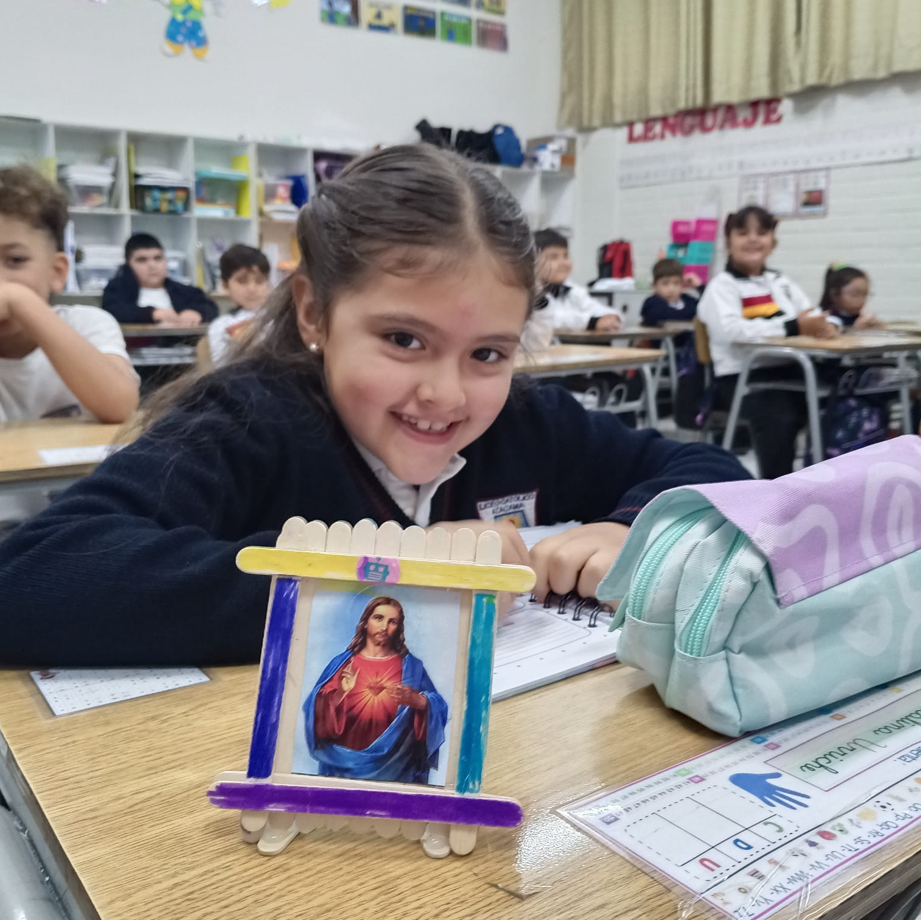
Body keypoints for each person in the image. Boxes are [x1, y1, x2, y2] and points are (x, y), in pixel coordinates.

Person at [0, 145, 750, 668]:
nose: (446, 394)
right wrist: (388, 576)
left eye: (488, 353)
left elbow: (710, 466)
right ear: (314, 312)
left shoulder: (525, 419)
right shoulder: (246, 421)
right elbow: (31, 577)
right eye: (402, 339)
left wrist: (632, 529)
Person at [698, 206, 838, 479]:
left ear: (773, 243)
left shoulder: (780, 282)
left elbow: (811, 314)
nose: (753, 239)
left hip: (791, 371)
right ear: (728, 243)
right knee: (780, 416)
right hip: (742, 378)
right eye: (743, 233)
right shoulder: (722, 286)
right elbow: (732, 331)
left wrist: (828, 325)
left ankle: (830, 483)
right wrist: (794, 326)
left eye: (762, 233)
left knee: (840, 398)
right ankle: (778, 491)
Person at [0, 165, 139, 424]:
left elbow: (120, 406)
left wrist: (21, 300)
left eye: (15, 260)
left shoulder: (88, 324)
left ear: (57, 271)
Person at [304, 596, 447, 784]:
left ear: (399, 628)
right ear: (365, 622)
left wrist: (419, 701)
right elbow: (315, 711)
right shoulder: (342, 664)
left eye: (392, 622)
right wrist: (340, 693)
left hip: (396, 767)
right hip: (343, 766)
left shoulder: (412, 667)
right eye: (379, 618)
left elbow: (439, 707)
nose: (384, 627)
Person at [525, 229, 622, 350]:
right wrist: (592, 322)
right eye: (553, 257)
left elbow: (599, 309)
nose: (563, 263)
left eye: (566, 256)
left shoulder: (573, 290)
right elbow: (553, 319)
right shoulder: (529, 292)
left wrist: (611, 317)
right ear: (533, 262)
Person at [101, 232, 218, 326]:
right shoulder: (117, 289)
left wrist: (197, 313)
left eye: (158, 258)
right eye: (142, 260)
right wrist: (152, 313)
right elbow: (112, 312)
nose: (152, 265)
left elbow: (210, 307)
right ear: (128, 265)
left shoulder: (184, 291)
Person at [208, 244, 271, 364]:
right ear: (225, 286)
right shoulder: (220, 326)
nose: (252, 289)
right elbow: (220, 366)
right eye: (242, 281)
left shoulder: (277, 320)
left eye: (260, 281)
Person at [641, 258, 698, 327]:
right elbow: (667, 315)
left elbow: (705, 311)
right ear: (655, 285)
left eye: (676, 283)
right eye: (665, 283)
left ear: (682, 284)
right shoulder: (652, 303)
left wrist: (699, 287)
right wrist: (692, 315)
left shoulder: (690, 301)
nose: (671, 289)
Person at [820, 264, 880, 330]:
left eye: (865, 294)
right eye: (855, 294)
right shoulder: (826, 320)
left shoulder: (859, 318)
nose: (861, 300)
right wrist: (855, 329)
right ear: (835, 295)